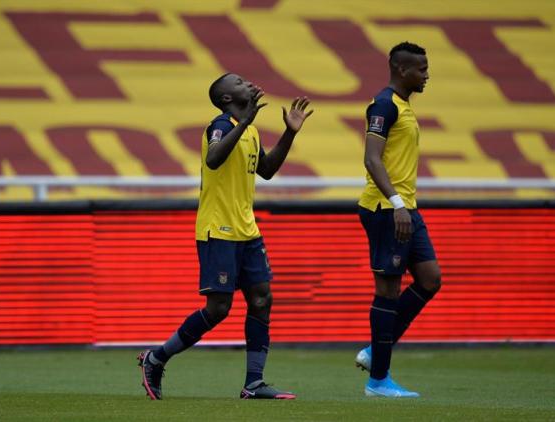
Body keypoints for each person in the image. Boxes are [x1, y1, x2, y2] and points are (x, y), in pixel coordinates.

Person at [138, 73, 313, 400]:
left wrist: (290, 132)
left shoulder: (250, 130)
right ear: (226, 99)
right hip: (218, 229)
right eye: (238, 82)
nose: (247, 82)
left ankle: (254, 383)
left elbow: (268, 170)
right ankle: (156, 357)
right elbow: (214, 158)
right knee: (219, 308)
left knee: (262, 299)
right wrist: (243, 123)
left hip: (247, 230)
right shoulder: (220, 124)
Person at [355, 42, 441, 398]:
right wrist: (395, 202)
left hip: (406, 207)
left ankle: (377, 350)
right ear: (402, 70)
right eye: (421, 69)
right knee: (387, 290)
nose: (426, 75)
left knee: (430, 279)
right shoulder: (384, 105)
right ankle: (378, 380)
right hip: (386, 209)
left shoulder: (403, 106)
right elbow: (372, 159)